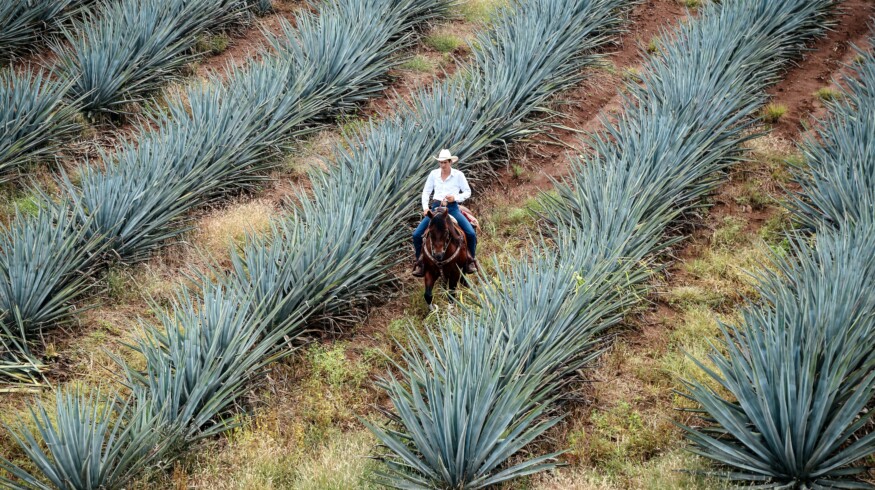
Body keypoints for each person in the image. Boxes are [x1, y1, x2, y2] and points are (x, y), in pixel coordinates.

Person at [412, 149, 478, 277]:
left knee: (470, 233)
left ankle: (470, 261)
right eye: (441, 162)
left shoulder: (458, 175)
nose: (442, 165)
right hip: (436, 208)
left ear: (450, 162)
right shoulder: (433, 174)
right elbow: (426, 192)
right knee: (416, 234)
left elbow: (467, 192)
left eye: (445, 162)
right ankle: (420, 263)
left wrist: (455, 198)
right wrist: (425, 208)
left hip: (452, 208)